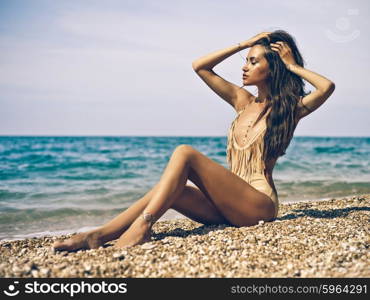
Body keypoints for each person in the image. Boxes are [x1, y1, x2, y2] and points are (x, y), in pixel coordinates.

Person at [53, 30, 335, 251]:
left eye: (253, 60)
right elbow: (200, 66)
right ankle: (100, 235)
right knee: (175, 190)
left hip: (257, 206)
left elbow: (327, 87)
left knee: (185, 153)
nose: (244, 67)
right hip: (226, 206)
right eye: (245, 60)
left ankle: (144, 226)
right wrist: (243, 44)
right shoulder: (241, 101)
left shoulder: (288, 109)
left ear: (272, 68)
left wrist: (291, 65)